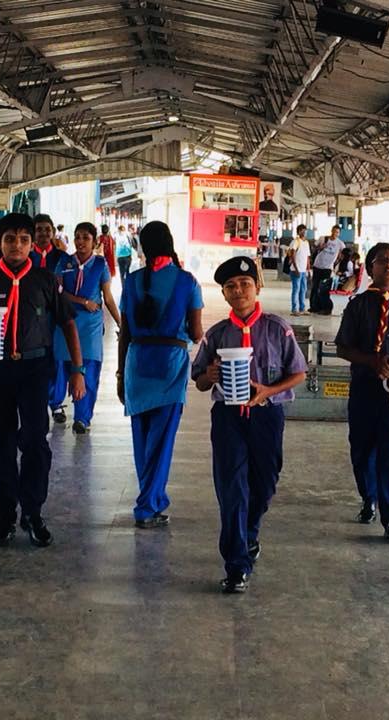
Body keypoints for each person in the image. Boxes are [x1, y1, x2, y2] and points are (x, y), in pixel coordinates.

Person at [0, 212, 85, 548]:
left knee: (34, 441)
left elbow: (68, 324)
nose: (16, 246)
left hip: (34, 370)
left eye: (23, 240)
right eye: (9, 239)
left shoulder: (46, 280)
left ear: (33, 244)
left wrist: (77, 370)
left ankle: (33, 512)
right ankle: (4, 516)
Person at [192, 256, 307, 593]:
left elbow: (298, 372)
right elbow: (198, 379)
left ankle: (250, 531)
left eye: (244, 284)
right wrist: (208, 376)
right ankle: (236, 563)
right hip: (228, 417)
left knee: (264, 484)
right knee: (232, 489)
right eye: (230, 287)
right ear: (224, 295)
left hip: (266, 416)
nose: (238, 290)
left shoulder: (277, 328)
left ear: (258, 287)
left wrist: (269, 391)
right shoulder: (217, 334)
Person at [118, 221, 203, 529]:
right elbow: (195, 332)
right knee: (162, 440)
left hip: (136, 363)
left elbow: (124, 333)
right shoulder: (187, 282)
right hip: (170, 365)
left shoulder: (132, 281)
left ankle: (151, 498)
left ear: (143, 246)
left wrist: (118, 375)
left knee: (141, 441)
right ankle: (147, 505)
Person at [335, 242, 389, 542]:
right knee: (362, 447)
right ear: (370, 268)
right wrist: (371, 361)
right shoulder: (358, 306)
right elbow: (343, 347)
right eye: (382, 261)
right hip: (365, 387)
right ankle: (368, 495)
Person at [50, 222, 121, 434]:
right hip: (65, 320)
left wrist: (120, 323)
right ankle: (56, 404)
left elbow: (107, 298)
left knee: (89, 368)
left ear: (94, 240)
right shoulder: (64, 262)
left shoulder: (100, 265)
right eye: (77, 237)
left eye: (85, 238)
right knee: (60, 366)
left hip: (91, 324)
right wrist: (83, 302)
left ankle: (82, 417)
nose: (80, 242)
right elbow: (57, 291)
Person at [310, 225, 345, 313]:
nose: (335, 234)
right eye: (334, 231)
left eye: (337, 232)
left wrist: (338, 263)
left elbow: (344, 254)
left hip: (328, 268)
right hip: (317, 266)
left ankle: (325, 308)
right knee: (315, 287)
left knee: (323, 288)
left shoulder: (340, 243)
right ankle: (314, 307)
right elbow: (313, 248)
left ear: (339, 234)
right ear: (331, 231)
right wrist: (320, 247)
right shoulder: (323, 238)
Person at [287, 224, 311, 316]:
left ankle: (302, 308)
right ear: (299, 232)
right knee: (296, 290)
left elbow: (307, 257)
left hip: (303, 270)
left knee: (303, 289)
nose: (304, 232)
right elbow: (292, 255)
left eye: (305, 230)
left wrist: (308, 269)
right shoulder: (295, 242)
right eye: (302, 230)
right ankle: (294, 309)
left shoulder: (306, 243)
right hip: (295, 270)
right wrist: (296, 269)